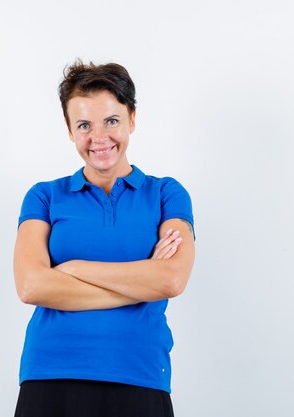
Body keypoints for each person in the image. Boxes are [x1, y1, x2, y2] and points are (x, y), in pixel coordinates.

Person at [13, 61, 195, 417]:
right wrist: (141, 281)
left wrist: (73, 269)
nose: (99, 138)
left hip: (139, 372)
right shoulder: (44, 197)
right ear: (69, 130)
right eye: (84, 125)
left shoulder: (166, 194)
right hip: (51, 373)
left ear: (132, 119)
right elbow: (31, 286)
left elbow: (171, 279)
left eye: (111, 121)